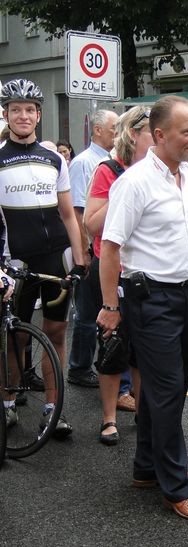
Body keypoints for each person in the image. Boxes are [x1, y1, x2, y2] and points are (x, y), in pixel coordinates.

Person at [97, 95, 188, 522]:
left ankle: (148, 466)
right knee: (167, 394)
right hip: (151, 299)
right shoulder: (135, 182)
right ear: (159, 135)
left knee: (164, 391)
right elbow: (110, 249)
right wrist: (111, 305)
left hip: (181, 295)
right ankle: (175, 486)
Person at [0, 78, 84, 435]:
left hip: (54, 258)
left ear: (38, 116)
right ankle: (6, 404)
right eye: (15, 109)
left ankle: (54, 407)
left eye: (29, 110)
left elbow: (68, 214)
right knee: (14, 335)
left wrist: (80, 259)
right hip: (15, 261)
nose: (23, 115)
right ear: (6, 114)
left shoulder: (53, 159)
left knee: (56, 330)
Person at [84, 106, 153, 444]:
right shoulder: (109, 170)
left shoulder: (159, 171)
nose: (159, 138)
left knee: (140, 349)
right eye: (153, 132)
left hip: (144, 271)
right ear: (133, 135)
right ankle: (108, 418)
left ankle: (141, 409)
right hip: (111, 269)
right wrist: (125, 191)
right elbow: (91, 224)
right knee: (112, 345)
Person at [67, 109, 118, 388]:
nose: (117, 132)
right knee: (86, 314)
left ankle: (98, 363)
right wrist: (84, 251)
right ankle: (78, 367)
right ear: (97, 130)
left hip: (104, 249)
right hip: (92, 248)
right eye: (113, 127)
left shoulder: (110, 160)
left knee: (101, 311)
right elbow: (77, 211)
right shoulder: (85, 162)